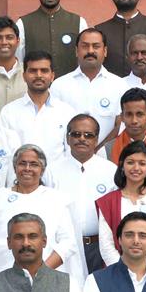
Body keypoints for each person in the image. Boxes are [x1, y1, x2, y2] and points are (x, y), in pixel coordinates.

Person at [0, 144, 78, 285]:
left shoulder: (56, 199)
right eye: (22, 163)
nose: (27, 168)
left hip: (44, 279)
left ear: (42, 169)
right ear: (15, 167)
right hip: (1, 277)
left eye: (34, 164)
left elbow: (68, 243)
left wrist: (41, 272)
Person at [48, 115, 118, 276]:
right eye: (76, 134)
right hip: (65, 249)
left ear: (96, 139)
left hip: (100, 247)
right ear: (67, 138)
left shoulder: (110, 171)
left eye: (88, 135)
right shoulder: (52, 171)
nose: (82, 139)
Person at [96, 140, 146, 268]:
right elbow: (106, 245)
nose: (136, 168)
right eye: (130, 162)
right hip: (118, 273)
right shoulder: (109, 201)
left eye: (142, 163)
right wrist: (123, 271)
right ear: (122, 166)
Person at [49, 28, 129, 145]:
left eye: (96, 46)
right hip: (67, 157)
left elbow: (121, 125)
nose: (90, 51)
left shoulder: (119, 85)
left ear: (105, 51)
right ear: (76, 51)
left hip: (107, 158)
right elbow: (53, 124)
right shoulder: (59, 85)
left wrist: (99, 152)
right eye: (85, 46)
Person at [0, 51, 75, 161]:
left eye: (44, 71)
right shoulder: (9, 112)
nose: (38, 75)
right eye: (33, 71)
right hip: (20, 177)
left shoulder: (67, 112)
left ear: (52, 76)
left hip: (56, 177)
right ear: (24, 76)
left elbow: (70, 152)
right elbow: (5, 153)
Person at [15, 0, 86, 78]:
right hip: (36, 89)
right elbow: (19, 62)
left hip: (70, 90)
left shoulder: (78, 22)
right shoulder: (23, 24)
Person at [108, 87, 146, 172]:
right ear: (122, 117)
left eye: (139, 114)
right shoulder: (107, 151)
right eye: (129, 114)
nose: (134, 121)